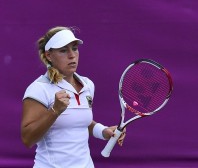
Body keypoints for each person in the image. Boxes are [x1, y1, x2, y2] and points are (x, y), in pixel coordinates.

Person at [21, 26, 126, 168]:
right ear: (48, 55)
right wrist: (55, 111)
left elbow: (80, 121)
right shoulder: (38, 89)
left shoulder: (88, 85)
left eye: (74, 48)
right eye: (63, 50)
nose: (72, 55)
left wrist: (103, 131)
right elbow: (28, 139)